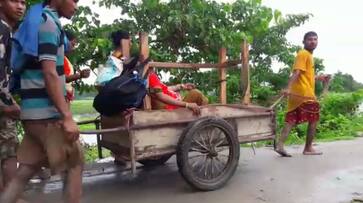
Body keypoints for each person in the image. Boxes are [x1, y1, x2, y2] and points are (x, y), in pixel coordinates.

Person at [0, 0, 83, 203]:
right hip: (46, 115)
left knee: (24, 172)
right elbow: (49, 73)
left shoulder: (37, 20)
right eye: (74, 0)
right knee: (75, 163)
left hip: (31, 114)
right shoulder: (48, 24)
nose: (76, 6)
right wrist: (67, 116)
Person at [275, 31, 330, 157]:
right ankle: (308, 148)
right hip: (304, 94)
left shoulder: (307, 55)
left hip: (298, 94)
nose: (313, 41)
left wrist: (319, 77)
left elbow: (305, 76)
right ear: (304, 41)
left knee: (291, 119)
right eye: (310, 39)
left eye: (315, 39)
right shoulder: (303, 53)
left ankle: (280, 145)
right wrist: (288, 88)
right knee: (314, 118)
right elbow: (297, 72)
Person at [0, 0, 26, 193]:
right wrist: (6, 104)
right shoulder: (3, 30)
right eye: (14, 1)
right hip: (2, 105)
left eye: (23, 2)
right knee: (9, 151)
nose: (20, 7)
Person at [64, 30, 90, 102]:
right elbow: (62, 78)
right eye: (72, 45)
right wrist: (79, 75)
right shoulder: (61, 59)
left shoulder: (65, 59)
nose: (73, 48)